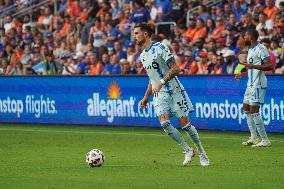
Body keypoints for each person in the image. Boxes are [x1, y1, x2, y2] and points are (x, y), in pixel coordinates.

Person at [134, 23, 209, 166]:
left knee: (185, 125)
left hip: (174, 91)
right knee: (165, 124)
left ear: (145, 34)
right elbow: (152, 79)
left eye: (137, 33)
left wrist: (161, 81)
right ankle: (187, 150)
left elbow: (176, 68)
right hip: (160, 94)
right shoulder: (143, 56)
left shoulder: (161, 48)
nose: (134, 36)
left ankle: (202, 152)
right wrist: (145, 97)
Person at [235, 29, 273, 147]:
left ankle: (265, 140)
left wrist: (253, 66)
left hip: (258, 84)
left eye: (245, 35)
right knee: (246, 108)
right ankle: (254, 137)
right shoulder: (251, 49)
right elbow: (252, 69)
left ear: (251, 36)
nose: (244, 37)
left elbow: (269, 65)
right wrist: (243, 74)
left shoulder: (261, 48)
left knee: (254, 111)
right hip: (250, 84)